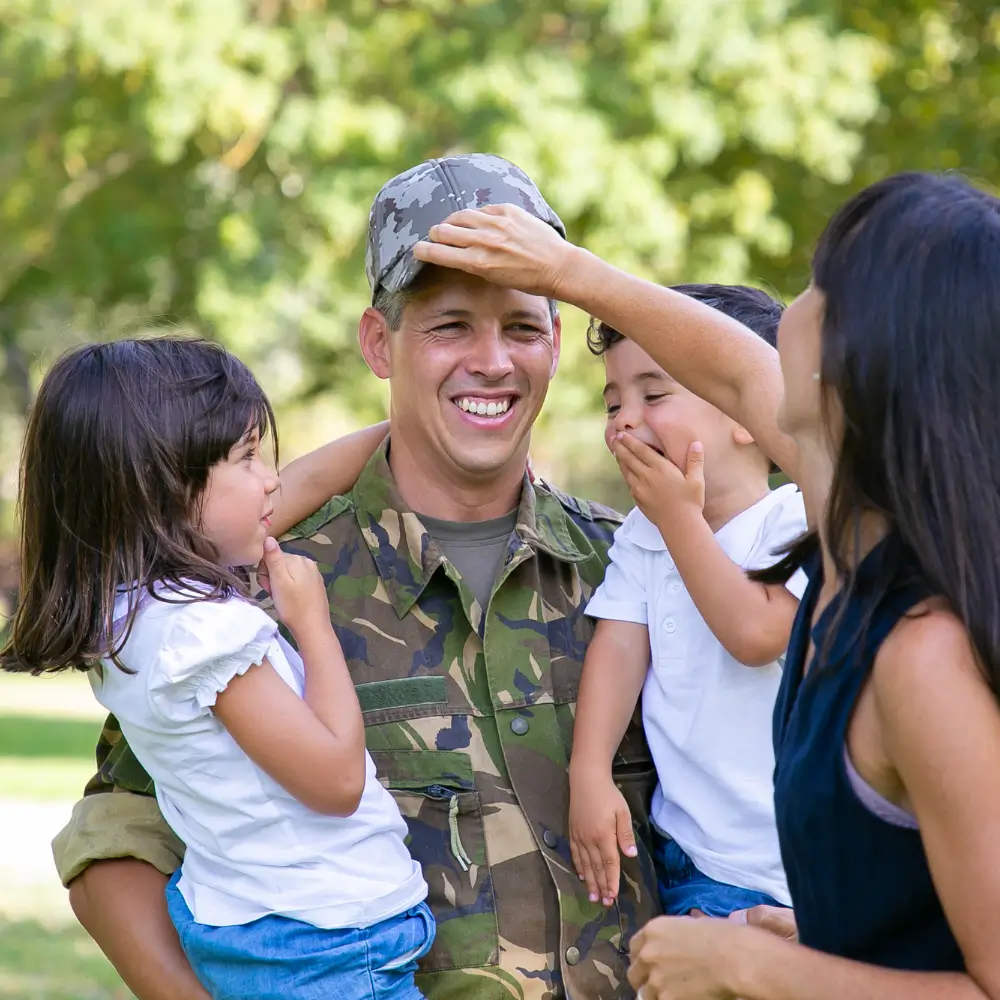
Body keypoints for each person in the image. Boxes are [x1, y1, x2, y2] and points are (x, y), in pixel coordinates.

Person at [48, 154, 661, 1000]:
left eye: (522, 326)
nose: (492, 361)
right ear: (380, 342)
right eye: (449, 326)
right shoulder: (251, 589)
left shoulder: (639, 571)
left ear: (557, 343)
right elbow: (117, 835)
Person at [409, 170, 1000, 998]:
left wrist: (757, 966)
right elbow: (734, 376)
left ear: (862, 355)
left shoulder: (925, 654)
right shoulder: (855, 542)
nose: (790, 306)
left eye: (821, 285)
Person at [1, 338, 434, 1000]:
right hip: (329, 947)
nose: (271, 479)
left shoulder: (129, 614)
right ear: (163, 489)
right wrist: (312, 626)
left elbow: (311, 481)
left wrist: (421, 426)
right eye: (247, 457)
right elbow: (337, 780)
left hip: (266, 930)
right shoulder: (206, 634)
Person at [568, 286, 804, 934]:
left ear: (749, 413)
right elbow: (617, 646)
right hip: (689, 861)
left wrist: (679, 520)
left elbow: (755, 633)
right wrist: (589, 770)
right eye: (613, 401)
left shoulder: (799, 521)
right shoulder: (645, 534)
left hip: (784, 871)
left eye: (654, 393)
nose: (623, 419)